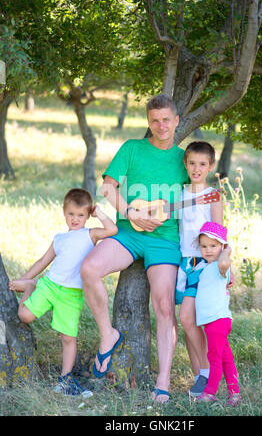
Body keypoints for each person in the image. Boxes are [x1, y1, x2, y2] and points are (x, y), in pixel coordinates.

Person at [80, 94, 188, 402]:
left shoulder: (183, 161)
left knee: (165, 306)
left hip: (165, 240)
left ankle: (163, 381)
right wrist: (131, 212)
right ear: (148, 122)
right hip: (128, 232)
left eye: (166, 119)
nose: (161, 125)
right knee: (89, 269)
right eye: (155, 120)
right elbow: (107, 187)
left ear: (177, 120)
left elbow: (195, 200)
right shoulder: (132, 148)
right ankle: (108, 335)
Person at [9, 188, 117, 397]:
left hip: (71, 295)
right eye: (71, 214)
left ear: (87, 215)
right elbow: (43, 261)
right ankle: (30, 286)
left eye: (80, 215)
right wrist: (23, 280)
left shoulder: (90, 234)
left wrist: (99, 213)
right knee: (25, 315)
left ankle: (65, 378)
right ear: (63, 212)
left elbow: (111, 230)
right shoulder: (59, 238)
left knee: (67, 337)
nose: (75, 219)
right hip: (48, 285)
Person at [175, 141, 223, 398]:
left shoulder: (213, 195)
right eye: (192, 163)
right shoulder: (180, 194)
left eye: (202, 164)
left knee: (187, 318)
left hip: (204, 264)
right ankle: (199, 378)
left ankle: (207, 372)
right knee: (188, 323)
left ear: (211, 166)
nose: (196, 168)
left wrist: (226, 263)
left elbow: (221, 231)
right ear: (185, 164)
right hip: (183, 261)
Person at [194, 221, 241, 406]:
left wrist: (227, 251)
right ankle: (234, 393)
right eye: (204, 246)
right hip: (213, 322)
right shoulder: (206, 267)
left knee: (214, 357)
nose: (208, 250)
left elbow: (223, 262)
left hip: (218, 320)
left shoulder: (222, 267)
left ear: (222, 246)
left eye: (213, 246)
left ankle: (210, 392)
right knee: (225, 358)